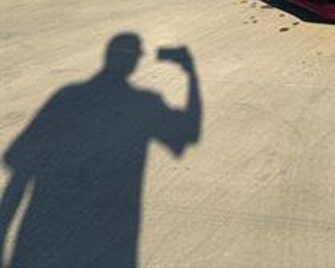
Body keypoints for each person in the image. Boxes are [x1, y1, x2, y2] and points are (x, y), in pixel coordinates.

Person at [0, 33, 201, 268]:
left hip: (44, 233)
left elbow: (19, 166)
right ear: (135, 61)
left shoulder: (67, 95)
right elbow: (190, 134)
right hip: (111, 235)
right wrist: (191, 73)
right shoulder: (147, 103)